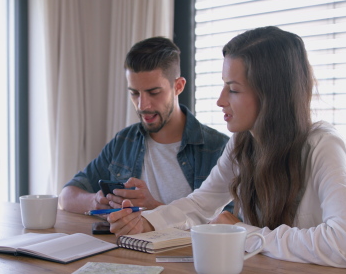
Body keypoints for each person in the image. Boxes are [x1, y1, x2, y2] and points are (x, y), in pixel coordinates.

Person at [108, 26, 346, 269]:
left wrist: (244, 233)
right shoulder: (242, 142)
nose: (220, 100)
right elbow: (202, 203)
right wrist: (146, 221)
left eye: (233, 89)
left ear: (271, 94)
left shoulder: (323, 145)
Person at [60, 37, 229, 214]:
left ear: (178, 87)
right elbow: (67, 195)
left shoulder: (219, 149)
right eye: (134, 93)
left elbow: (229, 225)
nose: (142, 105)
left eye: (153, 92)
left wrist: (154, 209)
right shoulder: (124, 142)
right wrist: (95, 201)